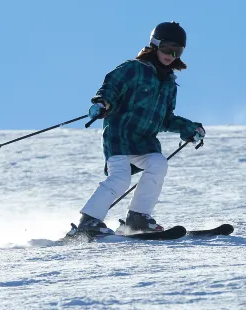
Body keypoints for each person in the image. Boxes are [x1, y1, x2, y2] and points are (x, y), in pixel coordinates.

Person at [69, 21, 205, 237]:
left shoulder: (169, 84)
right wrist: (103, 103)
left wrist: (188, 128)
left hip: (145, 141)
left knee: (158, 163)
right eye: (167, 47)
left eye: (177, 51)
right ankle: (89, 221)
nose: (171, 54)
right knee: (120, 177)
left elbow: (165, 119)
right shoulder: (134, 68)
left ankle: (138, 218)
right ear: (154, 44)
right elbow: (111, 86)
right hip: (119, 137)